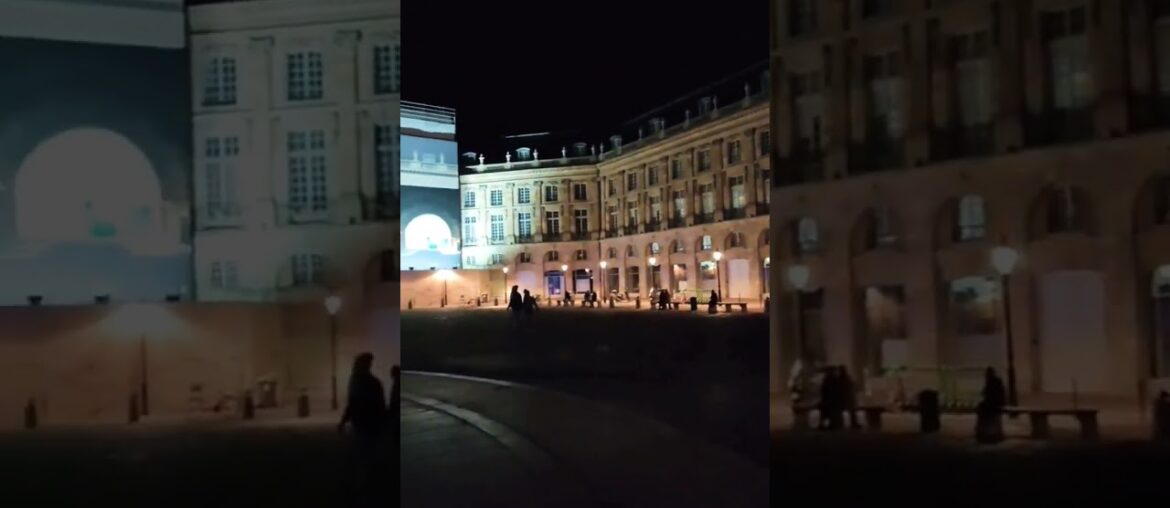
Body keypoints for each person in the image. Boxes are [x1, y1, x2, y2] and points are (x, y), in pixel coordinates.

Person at [338, 353, 387, 498]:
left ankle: (362, 486)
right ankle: (367, 486)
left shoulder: (356, 381)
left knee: (362, 454)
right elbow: (380, 405)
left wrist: (344, 420)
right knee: (367, 454)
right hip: (369, 424)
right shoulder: (373, 383)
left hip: (362, 424)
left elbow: (352, 404)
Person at [975, 367, 1007, 444]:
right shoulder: (997, 381)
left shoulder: (990, 382)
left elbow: (984, 393)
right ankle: (986, 431)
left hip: (993, 404)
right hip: (997, 404)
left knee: (981, 409)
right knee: (982, 408)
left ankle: (983, 431)